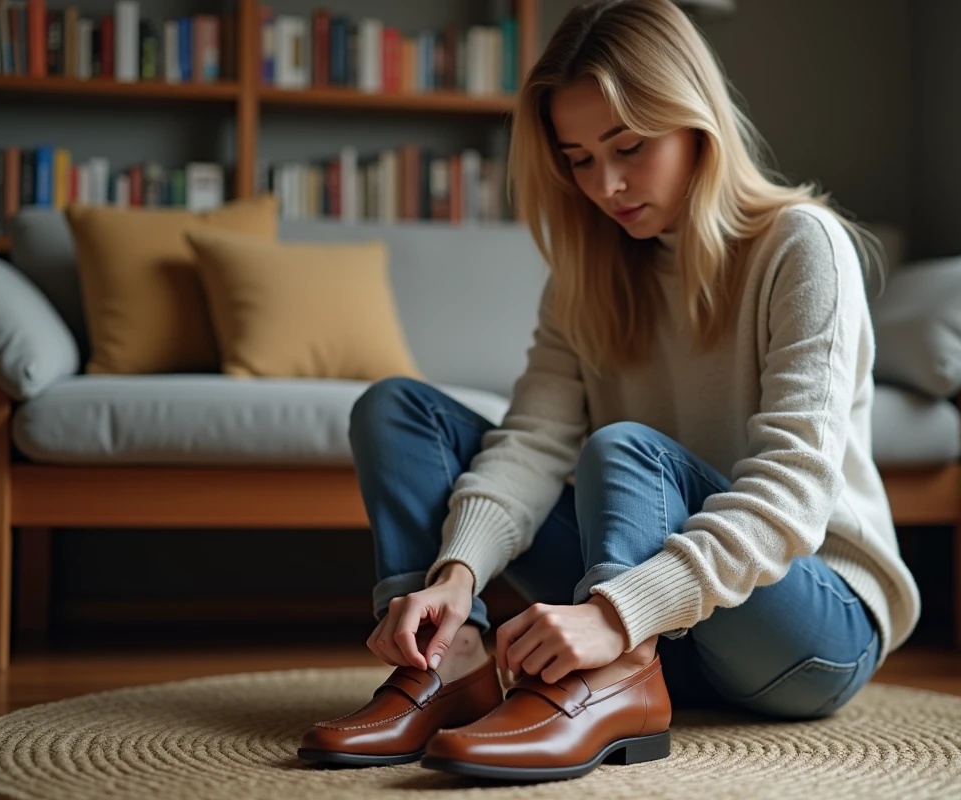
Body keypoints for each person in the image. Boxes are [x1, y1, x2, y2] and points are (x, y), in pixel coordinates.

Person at [298, 0, 921, 782]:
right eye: (579, 158)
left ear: (697, 123)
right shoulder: (587, 275)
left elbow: (793, 493)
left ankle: (611, 675)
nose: (608, 185)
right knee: (395, 409)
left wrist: (614, 615)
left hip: (803, 624)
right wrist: (455, 575)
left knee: (623, 449)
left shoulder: (803, 246)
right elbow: (529, 444)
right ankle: (446, 667)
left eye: (628, 146)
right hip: (652, 620)